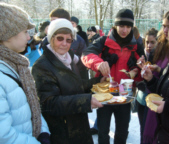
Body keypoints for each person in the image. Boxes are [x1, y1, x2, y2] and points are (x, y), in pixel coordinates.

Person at [32, 19, 104, 144]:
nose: (64, 43)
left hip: (79, 124)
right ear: (51, 38)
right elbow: (49, 103)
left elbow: (75, 85)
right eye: (60, 38)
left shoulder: (68, 57)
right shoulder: (42, 66)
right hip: (63, 131)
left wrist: (98, 81)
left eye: (69, 40)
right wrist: (85, 101)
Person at [81, 9, 144, 144]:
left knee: (122, 132)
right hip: (105, 96)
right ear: (115, 25)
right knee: (103, 132)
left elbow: (141, 69)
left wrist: (136, 70)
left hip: (124, 97)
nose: (124, 30)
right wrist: (99, 64)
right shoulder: (103, 41)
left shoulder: (136, 45)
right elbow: (86, 54)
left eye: (128, 27)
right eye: (121, 26)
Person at [0, 3, 50, 144]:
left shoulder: (17, 66)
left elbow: (31, 108)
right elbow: (4, 136)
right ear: (7, 34)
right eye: (25, 32)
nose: (29, 38)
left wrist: (43, 132)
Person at [136, 7, 169, 144]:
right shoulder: (162, 46)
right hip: (154, 99)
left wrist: (159, 70)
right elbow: (168, 84)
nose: (165, 30)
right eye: (164, 26)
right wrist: (150, 76)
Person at [136, 28, 158, 144]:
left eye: (152, 42)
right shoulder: (141, 55)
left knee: (149, 130)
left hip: (153, 99)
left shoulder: (160, 56)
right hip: (141, 99)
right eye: (147, 42)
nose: (149, 45)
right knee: (142, 128)